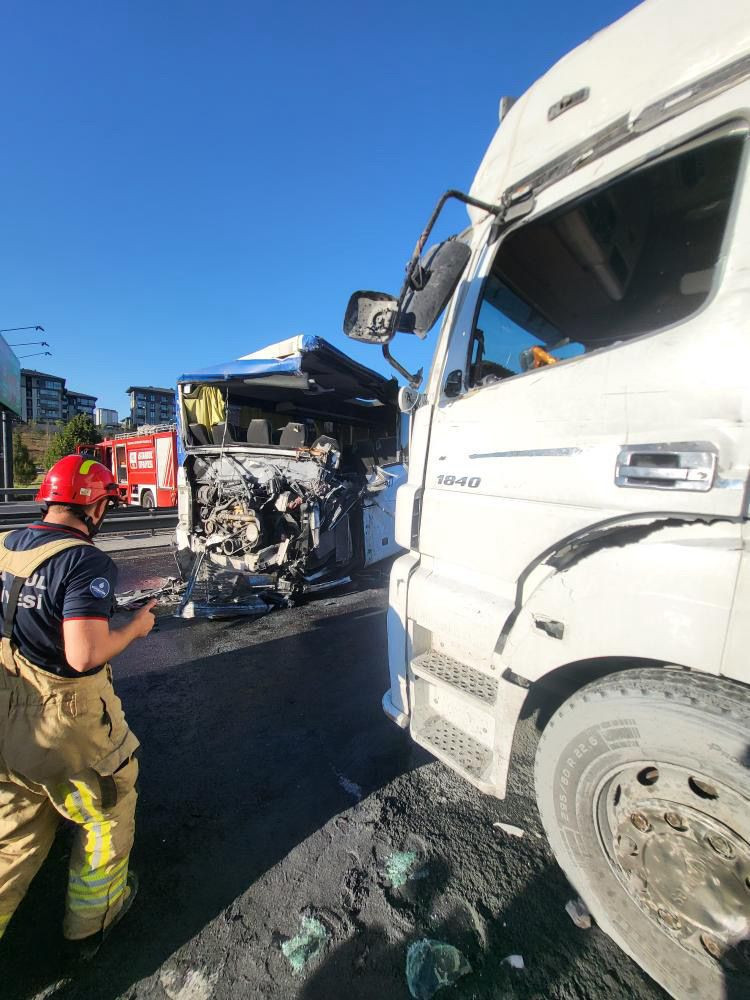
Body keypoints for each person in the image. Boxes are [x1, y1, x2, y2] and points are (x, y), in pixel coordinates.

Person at [0, 454, 156, 956]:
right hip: (62, 727)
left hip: (4, 719)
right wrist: (135, 628)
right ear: (96, 506)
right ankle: (93, 922)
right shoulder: (84, 561)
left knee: (13, 835)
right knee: (107, 808)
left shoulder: (5, 545)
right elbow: (84, 654)